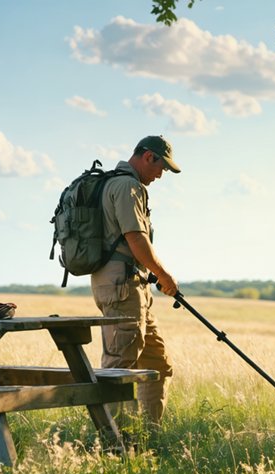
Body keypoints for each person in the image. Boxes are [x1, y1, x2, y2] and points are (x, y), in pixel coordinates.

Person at [91, 135, 181, 428]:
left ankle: (148, 436)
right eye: (161, 167)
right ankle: (112, 445)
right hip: (122, 286)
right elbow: (136, 238)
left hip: (132, 285)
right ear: (147, 157)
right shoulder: (127, 186)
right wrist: (165, 275)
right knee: (120, 367)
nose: (160, 175)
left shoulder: (119, 184)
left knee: (157, 363)